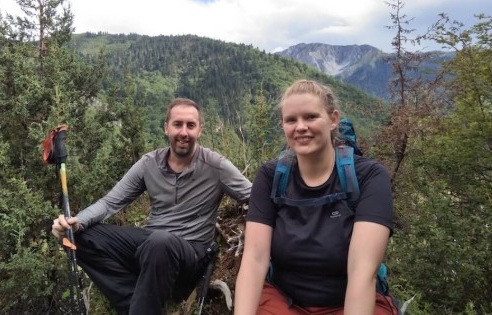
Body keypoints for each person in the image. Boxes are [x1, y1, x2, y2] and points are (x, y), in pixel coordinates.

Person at [52, 97, 252, 315]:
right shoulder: (149, 164)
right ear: (166, 128)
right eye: (177, 124)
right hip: (152, 245)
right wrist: (76, 222)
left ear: (200, 130)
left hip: (191, 254)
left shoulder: (216, 166)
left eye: (190, 125)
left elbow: (254, 197)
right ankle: (134, 303)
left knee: (160, 241)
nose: (183, 132)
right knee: (73, 238)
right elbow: (110, 202)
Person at [234, 80, 397, 315]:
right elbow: (255, 260)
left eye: (310, 117)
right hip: (284, 300)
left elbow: (362, 273)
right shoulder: (271, 176)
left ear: (333, 119)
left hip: (347, 302)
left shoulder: (368, 176)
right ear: (283, 125)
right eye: (291, 120)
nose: (300, 127)